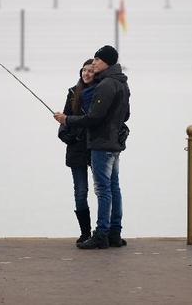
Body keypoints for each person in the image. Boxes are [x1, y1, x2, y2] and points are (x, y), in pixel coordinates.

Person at [54, 45, 130, 249]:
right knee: (114, 188)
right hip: (115, 142)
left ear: (107, 62)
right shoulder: (122, 83)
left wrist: (67, 119)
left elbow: (94, 117)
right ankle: (115, 233)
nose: (94, 63)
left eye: (97, 59)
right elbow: (126, 115)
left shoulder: (105, 84)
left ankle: (101, 234)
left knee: (103, 189)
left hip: (101, 143)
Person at [58, 59, 95, 244]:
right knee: (81, 192)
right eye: (84, 70)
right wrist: (69, 136)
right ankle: (85, 233)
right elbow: (65, 121)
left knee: (104, 191)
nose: (87, 74)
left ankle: (104, 231)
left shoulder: (100, 93)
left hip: (96, 148)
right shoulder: (73, 92)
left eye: (91, 71)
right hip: (77, 150)